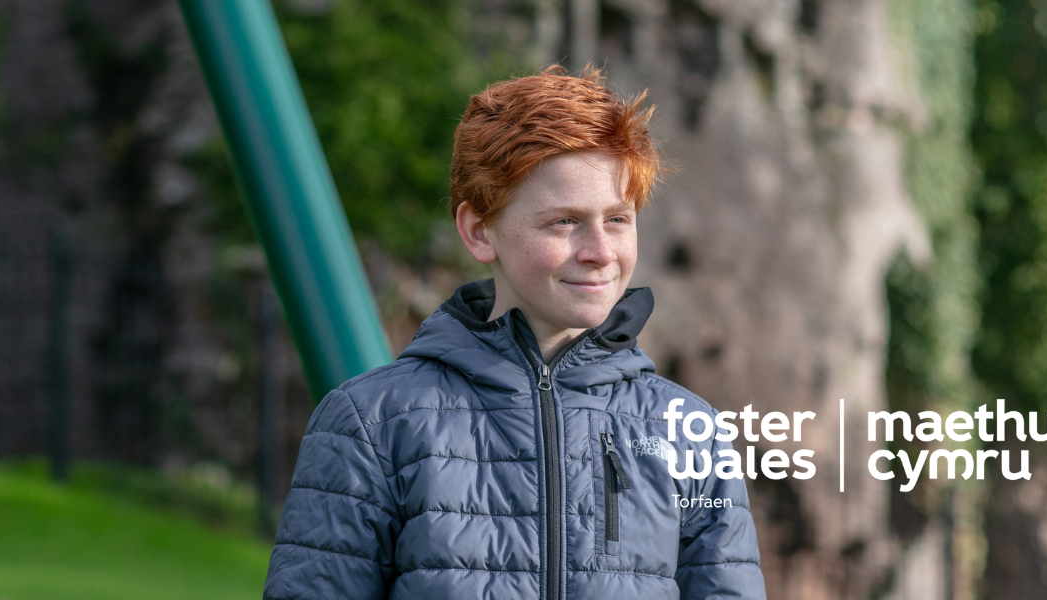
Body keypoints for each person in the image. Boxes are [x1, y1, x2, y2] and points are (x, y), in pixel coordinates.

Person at [263, 65, 765, 600]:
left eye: (618, 219)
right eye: (564, 222)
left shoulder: (694, 431)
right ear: (480, 232)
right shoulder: (371, 423)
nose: (599, 252)